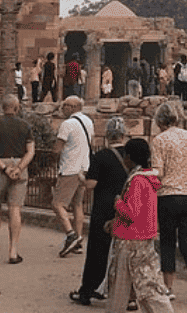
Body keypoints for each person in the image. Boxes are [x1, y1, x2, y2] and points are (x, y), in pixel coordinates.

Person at [105, 137, 174, 313]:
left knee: (120, 287)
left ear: (130, 157)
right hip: (145, 237)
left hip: (130, 240)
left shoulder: (136, 181)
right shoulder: (149, 179)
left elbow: (131, 214)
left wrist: (118, 203)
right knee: (149, 284)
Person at [151, 101, 187, 306]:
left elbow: (159, 172)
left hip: (168, 196)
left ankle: (168, 287)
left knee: (167, 241)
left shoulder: (159, 140)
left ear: (159, 121)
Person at [69, 116, 128, 307]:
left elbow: (91, 184)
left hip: (104, 208)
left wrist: (81, 178)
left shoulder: (101, 156)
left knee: (98, 251)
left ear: (107, 136)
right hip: (127, 208)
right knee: (125, 251)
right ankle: (127, 295)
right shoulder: (131, 156)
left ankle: (88, 290)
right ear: (124, 135)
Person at [0, 94, 35, 263]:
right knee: (15, 208)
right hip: (19, 164)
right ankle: (13, 251)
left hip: (0, 166)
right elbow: (31, 151)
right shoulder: (25, 126)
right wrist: (19, 168)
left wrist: (5, 168)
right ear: (17, 107)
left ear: (2, 107)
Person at [53, 95, 94, 257]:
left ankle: (70, 234)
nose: (63, 109)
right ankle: (79, 239)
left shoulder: (67, 124)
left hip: (70, 168)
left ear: (73, 107)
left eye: (65, 106)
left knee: (58, 204)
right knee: (78, 205)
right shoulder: (88, 121)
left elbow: (57, 148)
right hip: (84, 167)